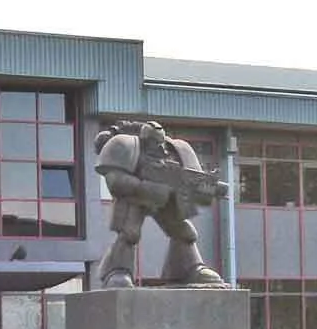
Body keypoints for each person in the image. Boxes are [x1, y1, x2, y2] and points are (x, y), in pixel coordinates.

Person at [95, 120, 228, 289]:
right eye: (154, 145)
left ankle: (187, 268)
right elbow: (115, 181)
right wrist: (146, 188)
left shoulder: (179, 151)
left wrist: (206, 190)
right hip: (135, 196)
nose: (161, 151)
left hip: (168, 197)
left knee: (185, 233)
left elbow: (195, 187)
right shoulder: (126, 145)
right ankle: (116, 270)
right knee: (129, 233)